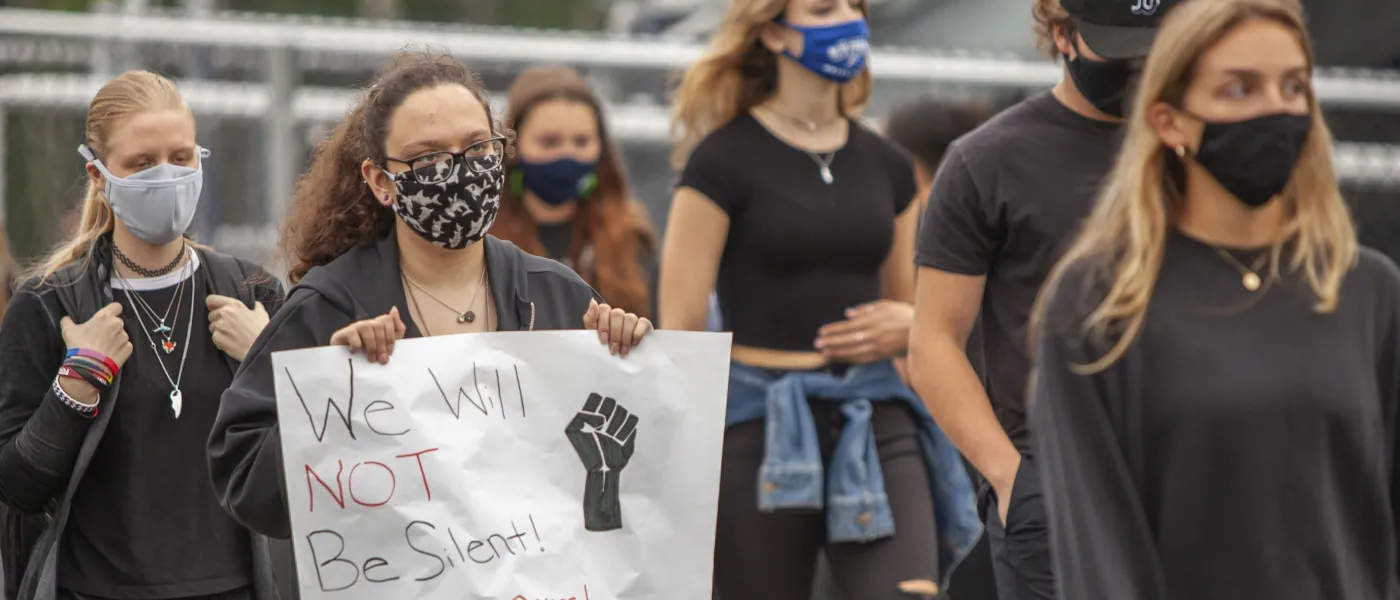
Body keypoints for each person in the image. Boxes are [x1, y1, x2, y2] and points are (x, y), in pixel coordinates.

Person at [1030, 0, 1398, 598]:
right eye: (1239, 89)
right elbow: (1097, 547)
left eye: (1293, 87)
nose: (1275, 109)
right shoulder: (1099, 304)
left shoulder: (1367, 293)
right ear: (1170, 120)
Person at [206, 51, 652, 541]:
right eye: (430, 158)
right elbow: (245, 478)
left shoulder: (557, 296)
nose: (461, 170)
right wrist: (332, 391)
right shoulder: (329, 307)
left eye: (479, 147)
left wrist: (630, 366)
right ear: (381, 182)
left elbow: (637, 470)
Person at [661, 1, 979, 598]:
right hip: (757, 428)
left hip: (875, 415)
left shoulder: (887, 165)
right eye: (824, 7)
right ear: (775, 32)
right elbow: (680, 332)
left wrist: (909, 325)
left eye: (853, 6)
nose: (849, 19)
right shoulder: (721, 162)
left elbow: (915, 312)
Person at [906, 0, 1181, 597]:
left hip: (1190, 481)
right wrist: (1012, 481)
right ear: (1063, 34)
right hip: (1054, 490)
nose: (1141, 65)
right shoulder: (986, 162)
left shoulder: (1197, 149)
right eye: (1119, 47)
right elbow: (933, 343)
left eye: (1156, 44)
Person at [0, 71, 285, 600]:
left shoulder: (253, 293)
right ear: (99, 174)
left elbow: (310, 456)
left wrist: (268, 364)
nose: (166, 176)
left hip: (236, 587)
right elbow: (17, 486)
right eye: (141, 163)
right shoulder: (49, 304)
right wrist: (75, 386)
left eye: (181, 158)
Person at [490, 65, 660, 320]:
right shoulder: (483, 239)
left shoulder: (631, 237)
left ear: (601, 147)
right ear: (513, 146)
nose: (567, 155)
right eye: (549, 142)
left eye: (581, 142)